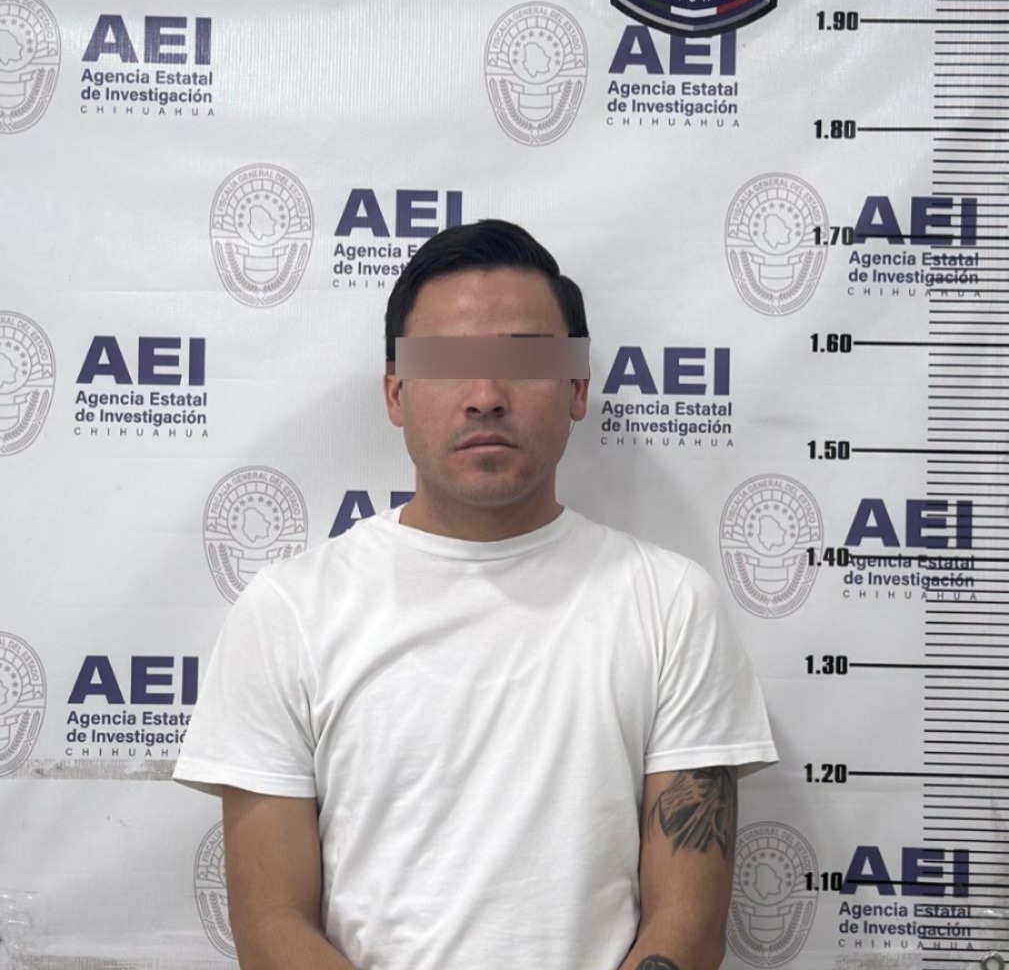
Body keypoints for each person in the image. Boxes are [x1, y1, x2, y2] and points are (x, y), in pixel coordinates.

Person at [174, 218, 778, 970]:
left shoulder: (671, 605)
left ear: (577, 387)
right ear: (396, 392)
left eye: (524, 362)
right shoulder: (289, 611)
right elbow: (272, 929)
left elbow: (687, 927)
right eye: (448, 363)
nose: (485, 395)